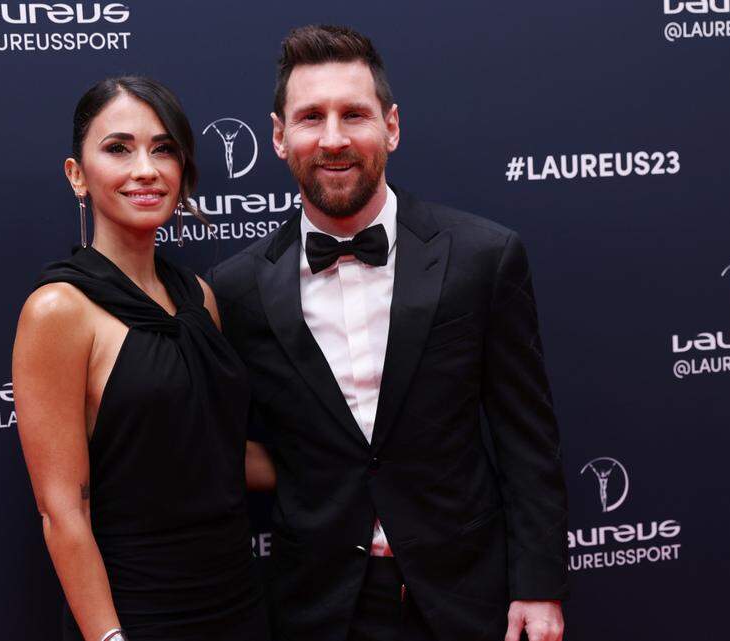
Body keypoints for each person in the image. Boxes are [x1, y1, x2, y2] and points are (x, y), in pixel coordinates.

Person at [207, 25, 569, 641]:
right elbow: (224, 452)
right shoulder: (235, 288)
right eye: (309, 117)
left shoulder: (484, 256)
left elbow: (526, 437)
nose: (333, 138)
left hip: (467, 596)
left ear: (392, 126)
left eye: (354, 114)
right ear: (278, 137)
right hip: (316, 607)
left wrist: (538, 587)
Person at [12, 76, 272, 641]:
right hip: (139, 611)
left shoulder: (198, 297)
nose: (146, 169)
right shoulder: (58, 310)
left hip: (236, 599)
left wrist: (357, 460)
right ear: (76, 176)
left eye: (163, 149)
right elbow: (63, 512)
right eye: (118, 148)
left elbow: (216, 453)